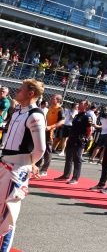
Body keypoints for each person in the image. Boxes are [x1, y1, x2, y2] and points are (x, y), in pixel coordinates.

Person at [0, 79, 46, 252]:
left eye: (21, 89)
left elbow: (40, 149)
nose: (17, 91)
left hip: (15, 169)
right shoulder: (18, 111)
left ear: (30, 93)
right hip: (4, 163)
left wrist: (29, 164)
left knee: (7, 218)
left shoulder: (35, 115)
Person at [54, 99, 93, 184]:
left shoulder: (87, 116)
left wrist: (85, 138)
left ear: (86, 106)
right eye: (79, 103)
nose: (79, 104)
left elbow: (89, 130)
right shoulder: (77, 115)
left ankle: (75, 178)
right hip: (72, 138)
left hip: (79, 140)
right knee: (68, 157)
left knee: (77, 159)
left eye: (81, 103)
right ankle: (66, 175)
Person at [37, 94, 64, 177]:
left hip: (51, 132)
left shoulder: (60, 109)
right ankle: (37, 166)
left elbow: (62, 121)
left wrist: (51, 127)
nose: (51, 99)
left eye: (53, 98)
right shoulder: (50, 108)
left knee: (48, 151)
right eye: (52, 98)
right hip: (45, 130)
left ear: (58, 100)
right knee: (41, 148)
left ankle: (44, 170)